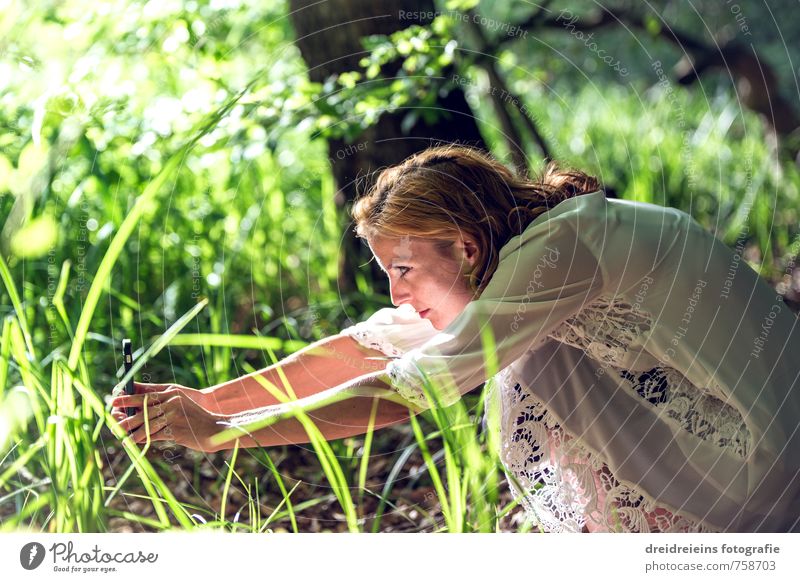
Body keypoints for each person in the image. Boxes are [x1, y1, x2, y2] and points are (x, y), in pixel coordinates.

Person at [110, 144, 800, 533]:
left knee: (520, 365)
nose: (396, 293)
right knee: (501, 351)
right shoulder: (535, 254)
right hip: (753, 437)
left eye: (403, 269)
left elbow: (405, 390)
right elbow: (371, 346)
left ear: (466, 248)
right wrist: (210, 401)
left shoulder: (562, 251)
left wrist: (224, 433)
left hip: (769, 465)